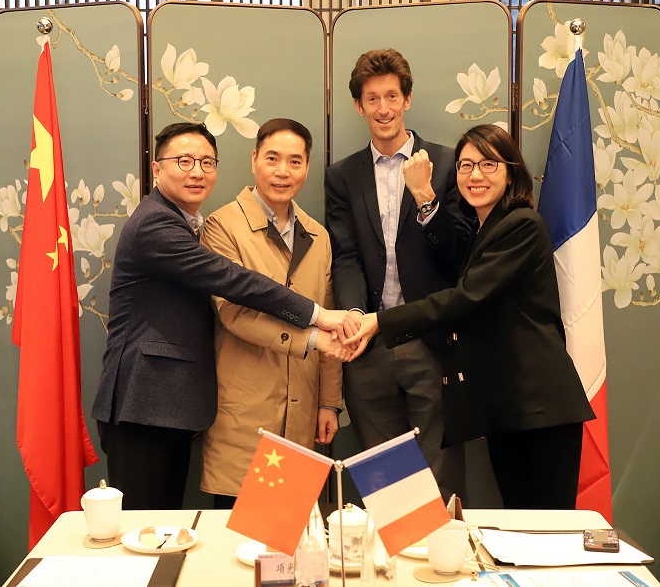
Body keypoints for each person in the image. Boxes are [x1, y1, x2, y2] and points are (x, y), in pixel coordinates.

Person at [91, 122, 352, 510]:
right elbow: (234, 285)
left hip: (179, 404)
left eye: (206, 162)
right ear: (157, 168)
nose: (196, 172)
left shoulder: (313, 235)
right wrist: (316, 319)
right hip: (145, 402)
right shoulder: (162, 224)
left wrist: (328, 400)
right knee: (145, 530)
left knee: (176, 526)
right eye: (184, 161)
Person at [343, 124, 596, 509]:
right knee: (517, 524)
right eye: (465, 165)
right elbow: (450, 253)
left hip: (540, 406)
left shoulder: (522, 225)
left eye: (488, 164)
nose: (475, 175)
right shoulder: (482, 230)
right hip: (505, 405)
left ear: (511, 172)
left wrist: (381, 321)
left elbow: (464, 298)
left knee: (548, 527)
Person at [324, 49, 472, 501]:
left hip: (431, 341)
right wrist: (353, 315)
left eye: (392, 96)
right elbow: (346, 256)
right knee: (387, 484)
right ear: (359, 106)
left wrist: (426, 196)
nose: (383, 108)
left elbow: (459, 256)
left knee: (440, 478)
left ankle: (444, 548)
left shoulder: (447, 163)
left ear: (407, 99)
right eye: (372, 98)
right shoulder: (342, 176)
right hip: (368, 343)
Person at [199, 118, 343, 509]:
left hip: (302, 413)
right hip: (246, 415)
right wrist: (311, 338)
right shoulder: (222, 227)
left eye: (295, 162)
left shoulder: (318, 236)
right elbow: (234, 313)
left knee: (293, 538)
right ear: (254, 160)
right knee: (238, 538)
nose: (283, 171)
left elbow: (328, 315)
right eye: (272, 158)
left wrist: (329, 401)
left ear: (307, 168)